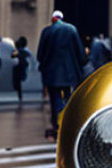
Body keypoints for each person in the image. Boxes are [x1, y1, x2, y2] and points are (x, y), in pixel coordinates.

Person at [37, 9, 85, 140]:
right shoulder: (72, 30)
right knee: (68, 98)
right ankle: (67, 122)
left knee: (55, 100)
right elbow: (80, 53)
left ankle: (58, 123)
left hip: (52, 75)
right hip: (70, 75)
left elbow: (40, 55)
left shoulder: (47, 31)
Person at [11, 35, 32, 103]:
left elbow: (13, 56)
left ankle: (19, 95)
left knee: (18, 81)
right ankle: (19, 95)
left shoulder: (22, 51)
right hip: (22, 70)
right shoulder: (26, 51)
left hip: (21, 70)